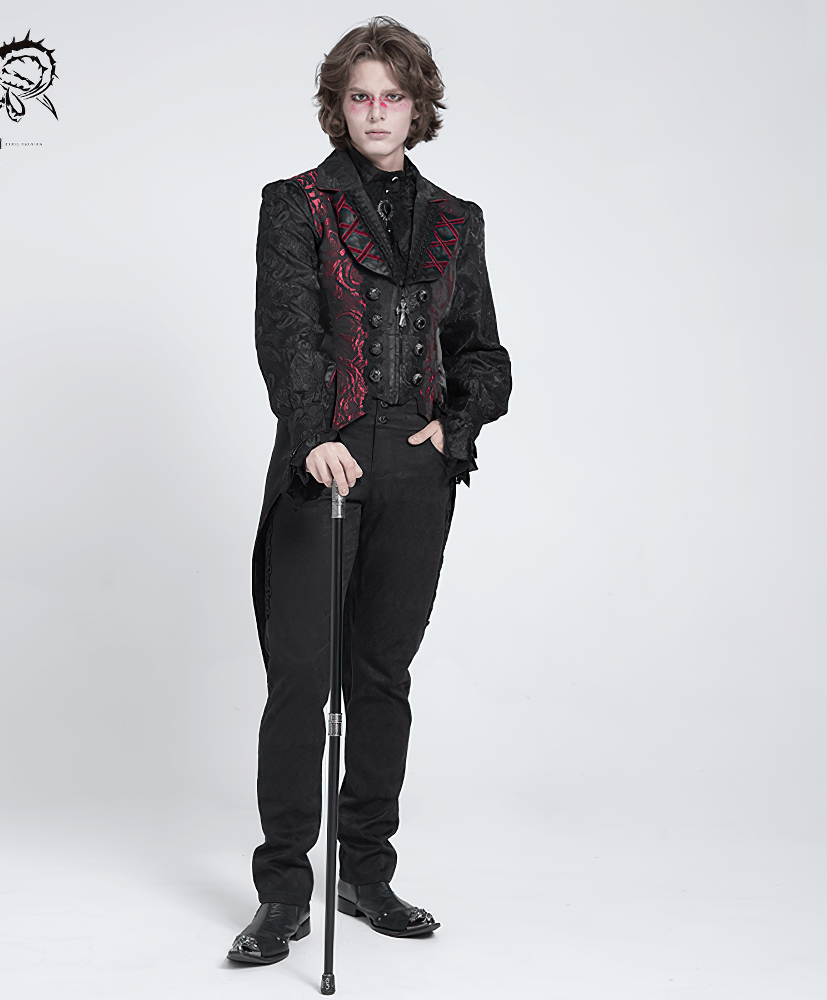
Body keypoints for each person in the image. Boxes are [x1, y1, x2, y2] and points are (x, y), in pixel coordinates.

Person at [228, 16, 511, 965]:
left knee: (383, 676)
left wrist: (454, 430)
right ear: (338, 107)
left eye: (393, 96)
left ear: (418, 106)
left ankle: (366, 874)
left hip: (417, 473)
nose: (377, 112)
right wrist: (313, 436)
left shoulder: (457, 220)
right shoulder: (295, 204)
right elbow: (288, 332)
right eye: (360, 96)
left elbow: (482, 351)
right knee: (301, 679)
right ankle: (282, 892)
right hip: (325, 464)